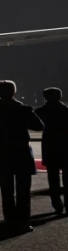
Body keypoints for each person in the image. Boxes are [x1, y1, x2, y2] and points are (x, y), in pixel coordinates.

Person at [0, 80, 43, 233]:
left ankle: (9, 220)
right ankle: (23, 222)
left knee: (6, 190)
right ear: (14, 92)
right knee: (23, 190)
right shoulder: (24, 109)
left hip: (3, 152)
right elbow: (39, 126)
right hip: (21, 151)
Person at [35, 87, 68, 215]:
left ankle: (57, 204)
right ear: (60, 96)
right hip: (65, 146)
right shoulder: (65, 110)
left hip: (50, 146)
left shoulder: (39, 112)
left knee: (53, 178)